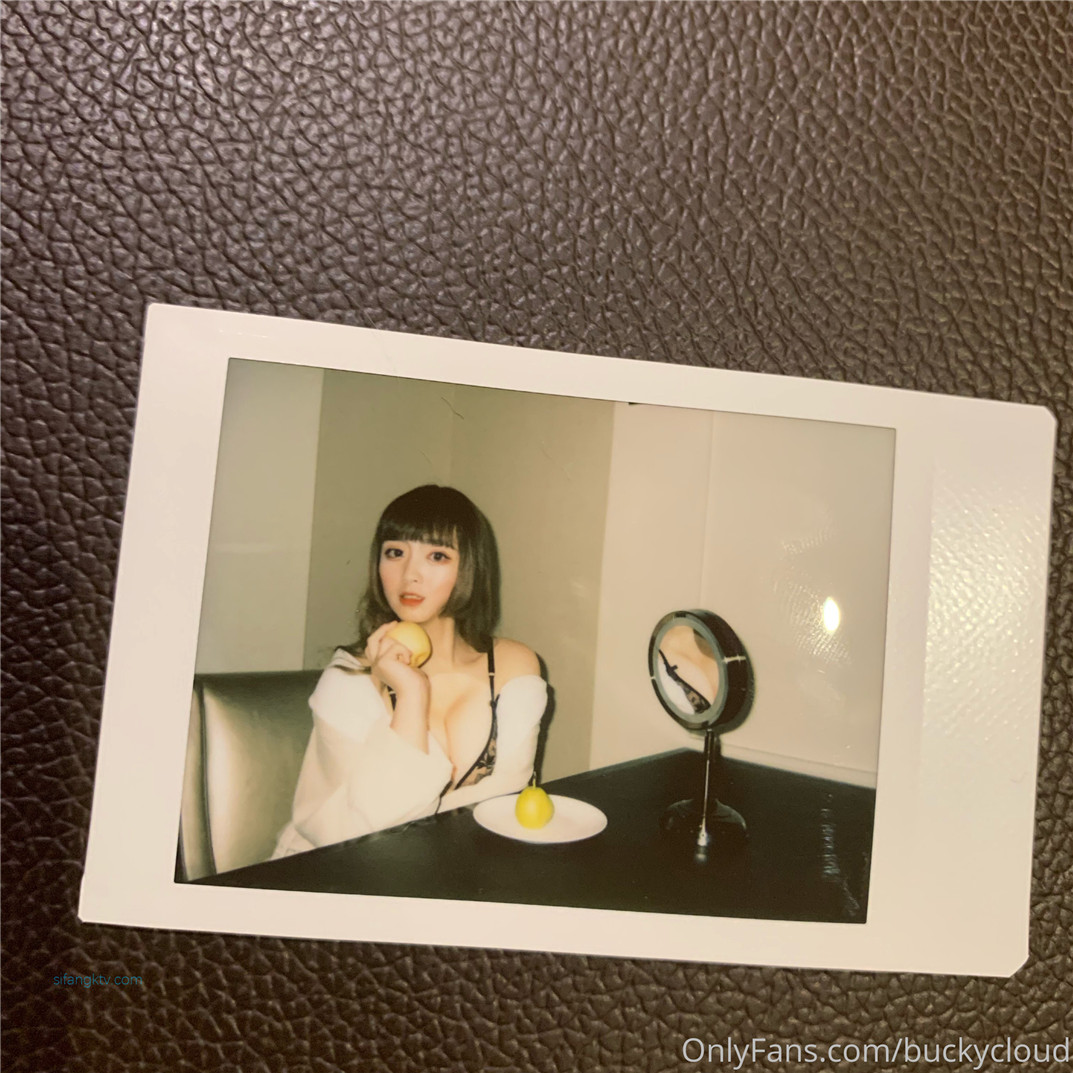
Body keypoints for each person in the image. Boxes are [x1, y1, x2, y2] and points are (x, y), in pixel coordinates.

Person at [272, 485, 547, 857]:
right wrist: (411, 695)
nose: (409, 574)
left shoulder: (514, 667)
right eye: (395, 553)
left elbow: (509, 793)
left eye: (437, 555)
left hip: (451, 866)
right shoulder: (350, 678)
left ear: (470, 568)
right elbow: (363, 834)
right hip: (332, 870)